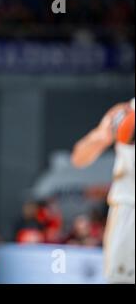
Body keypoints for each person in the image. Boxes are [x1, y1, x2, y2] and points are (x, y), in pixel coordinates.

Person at [71, 98, 135, 284]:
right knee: (121, 280)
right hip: (129, 207)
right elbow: (78, 158)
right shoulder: (124, 111)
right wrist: (104, 135)